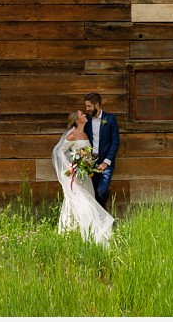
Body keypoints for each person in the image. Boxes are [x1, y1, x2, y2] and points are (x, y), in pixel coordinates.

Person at [51, 110, 114, 245]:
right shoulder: (73, 134)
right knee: (79, 201)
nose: (85, 115)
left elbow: (85, 153)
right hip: (75, 174)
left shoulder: (85, 134)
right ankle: (73, 231)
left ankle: (85, 231)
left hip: (85, 174)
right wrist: (69, 166)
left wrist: (89, 162)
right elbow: (59, 151)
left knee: (88, 198)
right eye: (82, 115)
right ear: (77, 120)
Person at [83, 92, 119, 211]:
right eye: (86, 106)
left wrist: (106, 162)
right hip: (90, 162)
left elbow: (115, 142)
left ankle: (102, 211)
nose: (87, 109)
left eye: (89, 106)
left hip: (106, 162)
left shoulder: (110, 119)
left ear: (97, 105)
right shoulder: (86, 120)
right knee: (92, 191)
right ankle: (100, 217)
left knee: (102, 190)